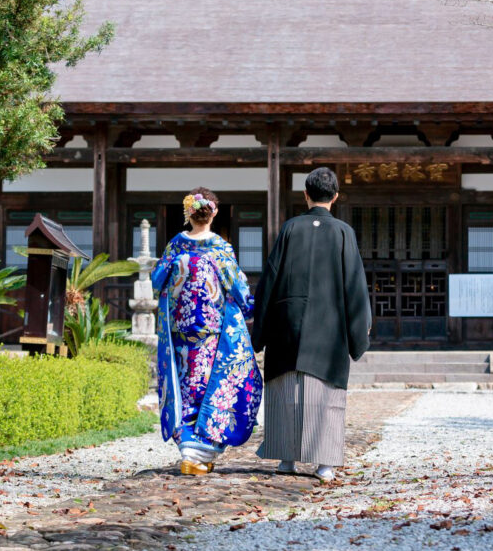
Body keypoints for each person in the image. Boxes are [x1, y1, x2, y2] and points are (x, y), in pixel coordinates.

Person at [252, 167, 372, 482]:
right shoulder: (343, 232)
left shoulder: (289, 229)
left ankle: (286, 459)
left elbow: (269, 280)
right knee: (327, 396)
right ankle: (325, 464)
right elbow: (355, 287)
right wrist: (358, 335)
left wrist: (259, 334)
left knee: (286, 388)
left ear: (305, 195)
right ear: (335, 197)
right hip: (329, 329)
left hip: (286, 324)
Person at [152, 188, 263, 476]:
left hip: (179, 331)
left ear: (189, 212)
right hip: (212, 332)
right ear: (213, 213)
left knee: (185, 389)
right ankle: (197, 451)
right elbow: (238, 288)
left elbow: (156, 279)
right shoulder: (220, 249)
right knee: (209, 390)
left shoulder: (175, 246)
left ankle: (191, 451)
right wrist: (253, 309)